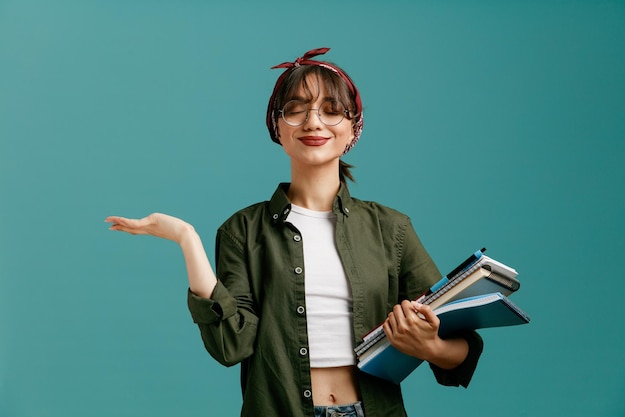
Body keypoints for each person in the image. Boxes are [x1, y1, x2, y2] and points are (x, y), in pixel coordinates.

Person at [105, 47, 483, 417]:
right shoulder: (243, 231)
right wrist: (187, 237)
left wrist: (430, 344)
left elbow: (460, 343)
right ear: (277, 128)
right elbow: (231, 345)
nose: (313, 122)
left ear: (353, 128)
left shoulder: (391, 229)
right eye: (296, 110)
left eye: (332, 111)